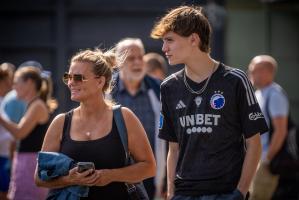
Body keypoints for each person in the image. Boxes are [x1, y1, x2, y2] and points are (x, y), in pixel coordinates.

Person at [150, 5, 268, 200]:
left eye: (169, 40)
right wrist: (171, 193)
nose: (164, 48)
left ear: (194, 39)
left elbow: (254, 144)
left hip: (226, 193)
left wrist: (240, 192)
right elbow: (174, 148)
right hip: (184, 194)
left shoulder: (235, 80)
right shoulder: (168, 87)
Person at [34, 48, 156, 200]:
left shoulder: (124, 117)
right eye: (68, 77)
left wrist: (110, 175)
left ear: (100, 81)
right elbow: (39, 178)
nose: (71, 82)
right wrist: (69, 179)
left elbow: (149, 167)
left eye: (78, 77)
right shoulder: (60, 122)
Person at [111, 38, 166, 200]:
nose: (137, 62)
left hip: (152, 174)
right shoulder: (105, 90)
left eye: (140, 57)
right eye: (130, 58)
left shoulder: (160, 89)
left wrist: (169, 179)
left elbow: (173, 137)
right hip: (116, 174)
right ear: (118, 62)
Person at [0, 66, 57, 200]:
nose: (13, 87)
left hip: (30, 164)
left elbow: (19, 133)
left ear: (29, 82)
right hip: (26, 162)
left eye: (16, 82)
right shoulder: (33, 104)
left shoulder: (37, 105)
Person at [248, 55, 299, 200]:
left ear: (267, 72)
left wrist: (267, 159)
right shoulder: (258, 94)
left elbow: (280, 131)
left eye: (254, 69)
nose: (250, 72)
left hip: (272, 164)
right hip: (260, 161)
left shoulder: (275, 94)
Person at [0, 63, 15, 200]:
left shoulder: (10, 100)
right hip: (3, 155)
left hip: (8, 155)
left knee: (7, 192)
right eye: (9, 79)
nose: (12, 82)